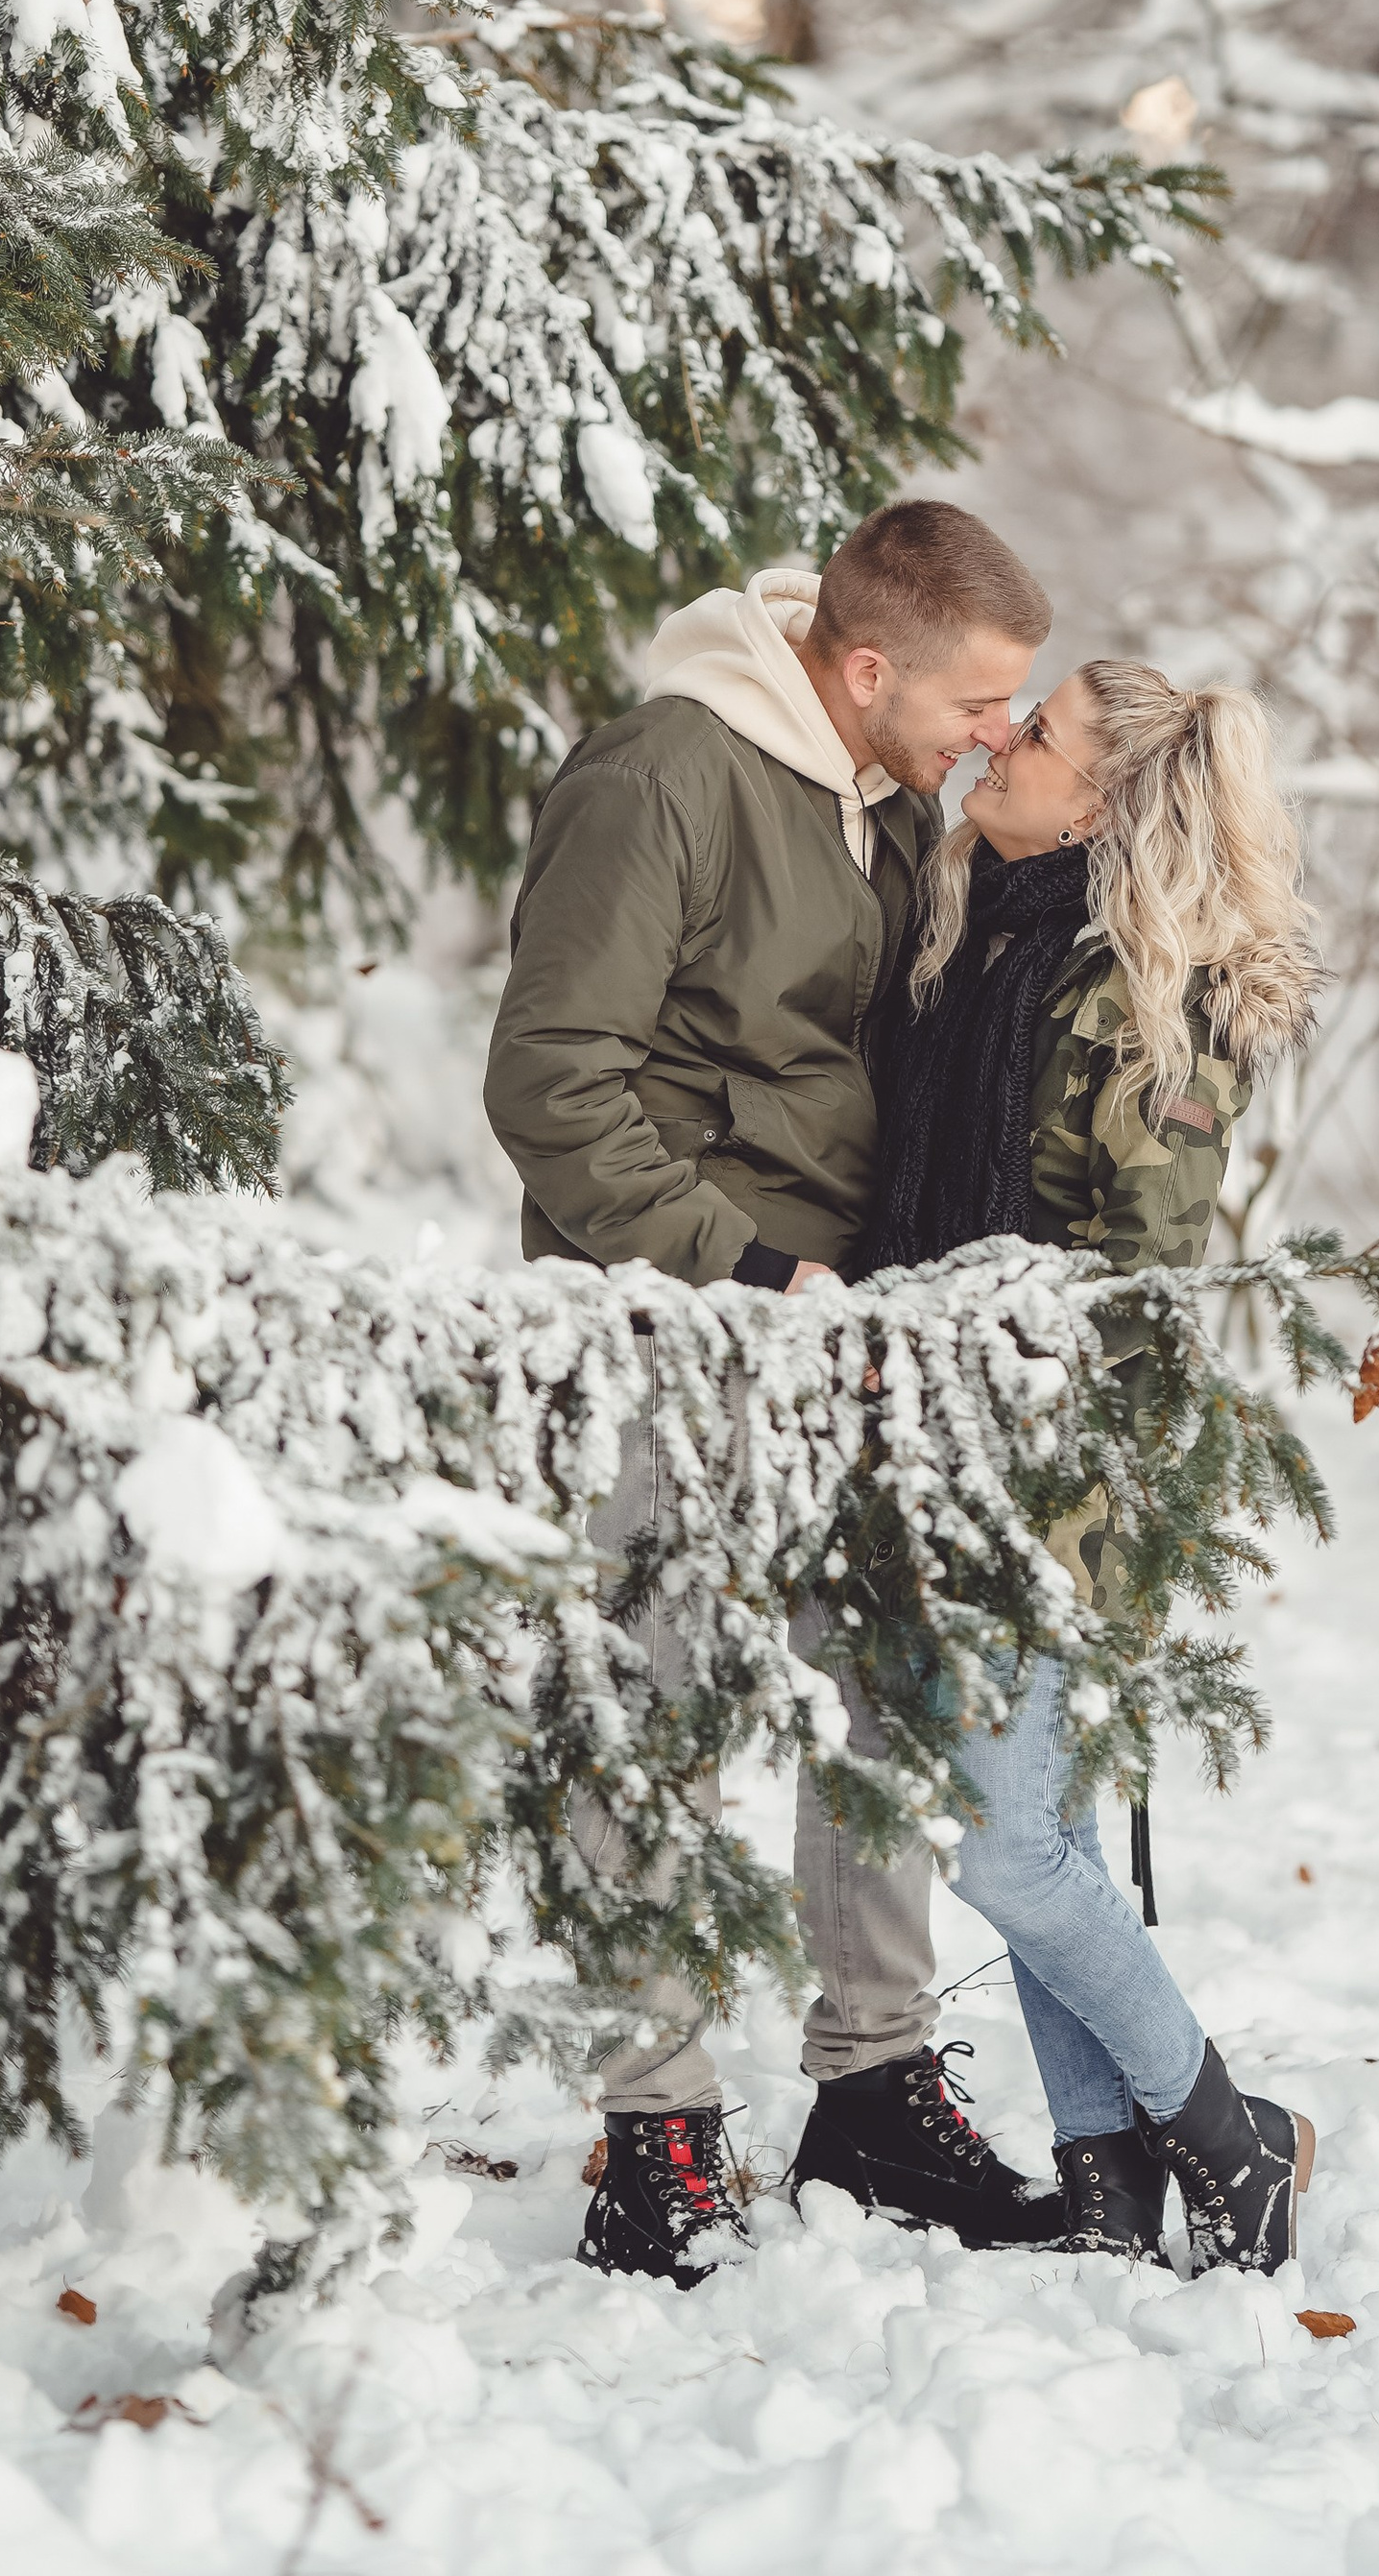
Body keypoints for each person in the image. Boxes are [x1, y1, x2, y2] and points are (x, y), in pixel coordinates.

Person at [484, 499, 1065, 2284]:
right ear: (866, 666)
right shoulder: (661, 778)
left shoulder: (881, 801)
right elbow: (553, 1080)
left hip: (839, 1329)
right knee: (653, 1714)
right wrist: (738, 1266)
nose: (996, 736)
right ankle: (655, 2131)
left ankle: (873, 2091)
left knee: (872, 1706)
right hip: (671, 1327)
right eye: (979, 702)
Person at [866, 658, 1324, 2274]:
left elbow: (1145, 1285)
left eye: (1039, 734)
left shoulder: (1150, 997)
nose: (998, 742)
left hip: (1051, 1475)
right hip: (943, 1444)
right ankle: (1109, 2177)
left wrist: (1042, 1444)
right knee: (1035, 1839)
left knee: (1009, 1851)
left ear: (1103, 806)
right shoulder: (988, 943)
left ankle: (1229, 2135)